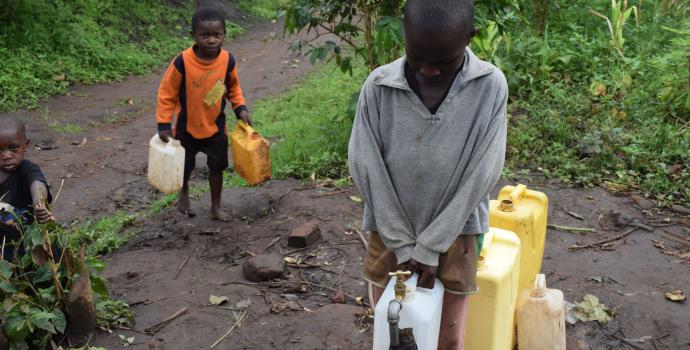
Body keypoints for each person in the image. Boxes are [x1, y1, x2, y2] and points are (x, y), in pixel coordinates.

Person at [348, 0, 508, 348]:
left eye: (444, 61)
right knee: (391, 326)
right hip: (390, 233)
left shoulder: (489, 86)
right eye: (418, 56)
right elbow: (365, 164)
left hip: (457, 235)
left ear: (470, 37)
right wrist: (404, 244)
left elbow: (483, 171)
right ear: (404, 31)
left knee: (448, 337)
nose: (430, 70)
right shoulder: (378, 87)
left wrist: (433, 244)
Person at [156, 7, 252, 221]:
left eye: (217, 35)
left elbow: (233, 88)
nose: (211, 40)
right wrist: (164, 123)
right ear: (194, 35)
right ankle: (184, 192)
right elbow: (167, 92)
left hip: (215, 127)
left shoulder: (228, 61)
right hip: (186, 128)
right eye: (205, 35)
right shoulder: (182, 62)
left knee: (217, 168)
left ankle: (216, 206)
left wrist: (241, 109)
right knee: (185, 165)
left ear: (224, 34)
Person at [1, 117, 54, 261]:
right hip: (4, 252)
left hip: (33, 244)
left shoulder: (27, 169)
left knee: (50, 266)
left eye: (13, 148)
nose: (6, 156)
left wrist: (39, 203)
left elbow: (37, 184)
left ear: (26, 145)